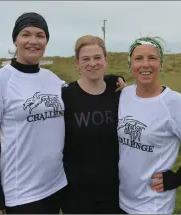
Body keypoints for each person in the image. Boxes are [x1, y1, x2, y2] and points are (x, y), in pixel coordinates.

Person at [0, 13, 123, 214]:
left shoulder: (53, 81)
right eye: (26, 34)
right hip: (21, 194)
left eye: (40, 35)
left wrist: (115, 79)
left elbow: (86, 86)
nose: (33, 41)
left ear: (46, 41)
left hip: (57, 186)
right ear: (15, 39)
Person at [117, 37, 181, 214]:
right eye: (138, 59)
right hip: (122, 202)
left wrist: (177, 178)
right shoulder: (125, 94)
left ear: (161, 63)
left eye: (152, 58)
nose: (145, 64)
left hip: (154, 206)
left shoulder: (174, 102)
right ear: (130, 64)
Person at [61, 35, 122, 214]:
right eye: (85, 59)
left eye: (97, 57)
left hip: (115, 190)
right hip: (76, 193)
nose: (92, 63)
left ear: (106, 59)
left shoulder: (119, 92)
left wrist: (115, 79)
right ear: (77, 63)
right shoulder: (65, 96)